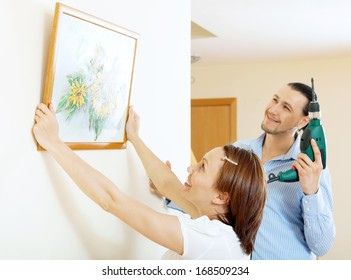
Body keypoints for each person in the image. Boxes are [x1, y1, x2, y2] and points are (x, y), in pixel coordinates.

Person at [33, 103, 266, 260]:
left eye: (202, 166)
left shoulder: (212, 240)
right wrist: (134, 137)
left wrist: (54, 142)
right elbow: (167, 184)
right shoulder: (219, 224)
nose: (190, 168)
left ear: (221, 197)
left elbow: (111, 200)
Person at [233, 82, 336, 259]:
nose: (273, 110)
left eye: (286, 107)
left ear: (304, 121)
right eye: (275, 100)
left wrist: (311, 192)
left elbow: (322, 246)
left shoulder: (312, 169)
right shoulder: (237, 152)